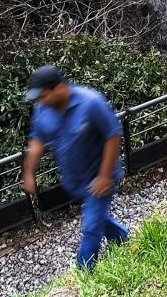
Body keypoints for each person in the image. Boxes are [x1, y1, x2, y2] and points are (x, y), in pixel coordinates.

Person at [21, 65, 129, 270]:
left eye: (43, 95)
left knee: (90, 226)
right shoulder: (42, 109)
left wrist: (105, 176)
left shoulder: (91, 103)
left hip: (100, 178)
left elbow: (112, 135)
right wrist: (29, 172)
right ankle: (123, 239)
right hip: (75, 180)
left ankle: (83, 275)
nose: (40, 101)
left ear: (59, 88)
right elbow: (37, 141)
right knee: (97, 217)